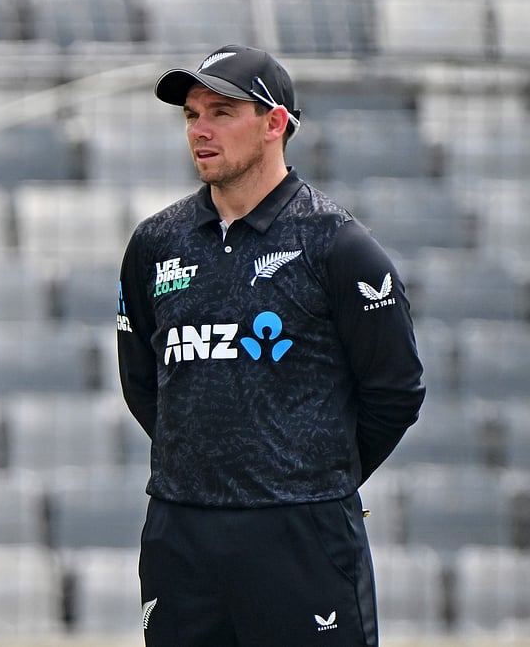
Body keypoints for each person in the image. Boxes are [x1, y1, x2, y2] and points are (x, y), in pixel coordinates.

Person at [116, 44, 426, 646]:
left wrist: (310, 473)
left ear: (274, 124)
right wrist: (212, 467)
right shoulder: (154, 243)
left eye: (222, 112)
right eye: (191, 115)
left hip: (302, 536)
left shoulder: (337, 245)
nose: (200, 130)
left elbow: (396, 391)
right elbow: (143, 384)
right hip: (182, 534)